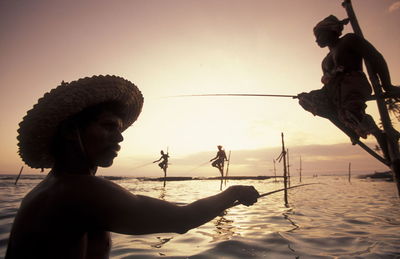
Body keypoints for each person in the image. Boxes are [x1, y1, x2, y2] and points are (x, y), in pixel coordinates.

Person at [5, 75, 260, 259]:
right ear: (72, 131)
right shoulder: (77, 190)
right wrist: (234, 192)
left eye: (120, 128)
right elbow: (183, 219)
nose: (119, 138)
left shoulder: (55, 187)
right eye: (108, 126)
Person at [297, 15, 399, 159]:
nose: (317, 39)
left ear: (331, 30)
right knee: (307, 100)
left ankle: (380, 135)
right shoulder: (325, 60)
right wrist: (308, 96)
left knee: (350, 111)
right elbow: (327, 83)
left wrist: (387, 85)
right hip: (333, 90)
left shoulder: (349, 40)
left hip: (352, 83)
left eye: (319, 34)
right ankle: (350, 129)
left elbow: (375, 57)